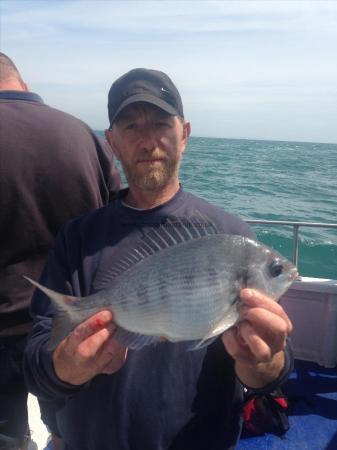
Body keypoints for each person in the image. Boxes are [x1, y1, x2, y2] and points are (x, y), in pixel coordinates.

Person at [23, 68, 293, 450]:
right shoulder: (77, 237)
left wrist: (266, 364)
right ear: (112, 143)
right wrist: (68, 366)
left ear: (184, 134)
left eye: (161, 123)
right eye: (131, 127)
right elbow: (35, 366)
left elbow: (274, 373)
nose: (148, 141)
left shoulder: (232, 235)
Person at [0, 53, 121, 450]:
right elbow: (118, 220)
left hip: (3, 324)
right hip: (73, 319)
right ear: (25, 82)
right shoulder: (81, 133)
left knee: (7, 433)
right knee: (70, 430)